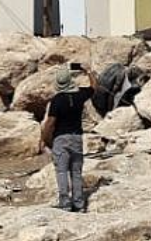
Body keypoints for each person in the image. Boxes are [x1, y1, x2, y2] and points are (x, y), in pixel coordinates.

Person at [40, 64, 98, 212]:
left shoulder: (57, 100)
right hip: (77, 137)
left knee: (61, 171)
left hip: (61, 138)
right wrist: (88, 70)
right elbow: (94, 87)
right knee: (76, 172)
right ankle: (79, 204)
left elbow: (50, 123)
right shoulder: (79, 95)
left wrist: (45, 139)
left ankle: (65, 203)